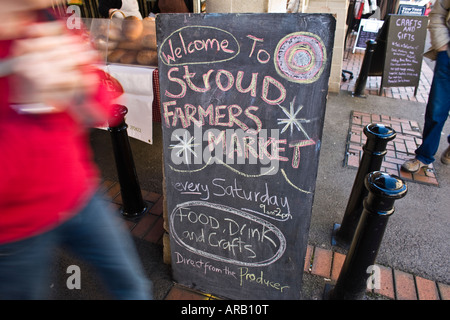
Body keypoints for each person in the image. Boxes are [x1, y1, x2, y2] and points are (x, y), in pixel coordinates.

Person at [0, 0, 152, 299]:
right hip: (14, 230)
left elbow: (101, 104)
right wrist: (26, 99)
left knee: (132, 287)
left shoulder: (48, 22)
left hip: (80, 194)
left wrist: (76, 84)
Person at [402, 0, 450, 173]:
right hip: (448, 57)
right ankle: (424, 155)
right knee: (437, 110)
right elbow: (438, 13)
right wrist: (442, 46)